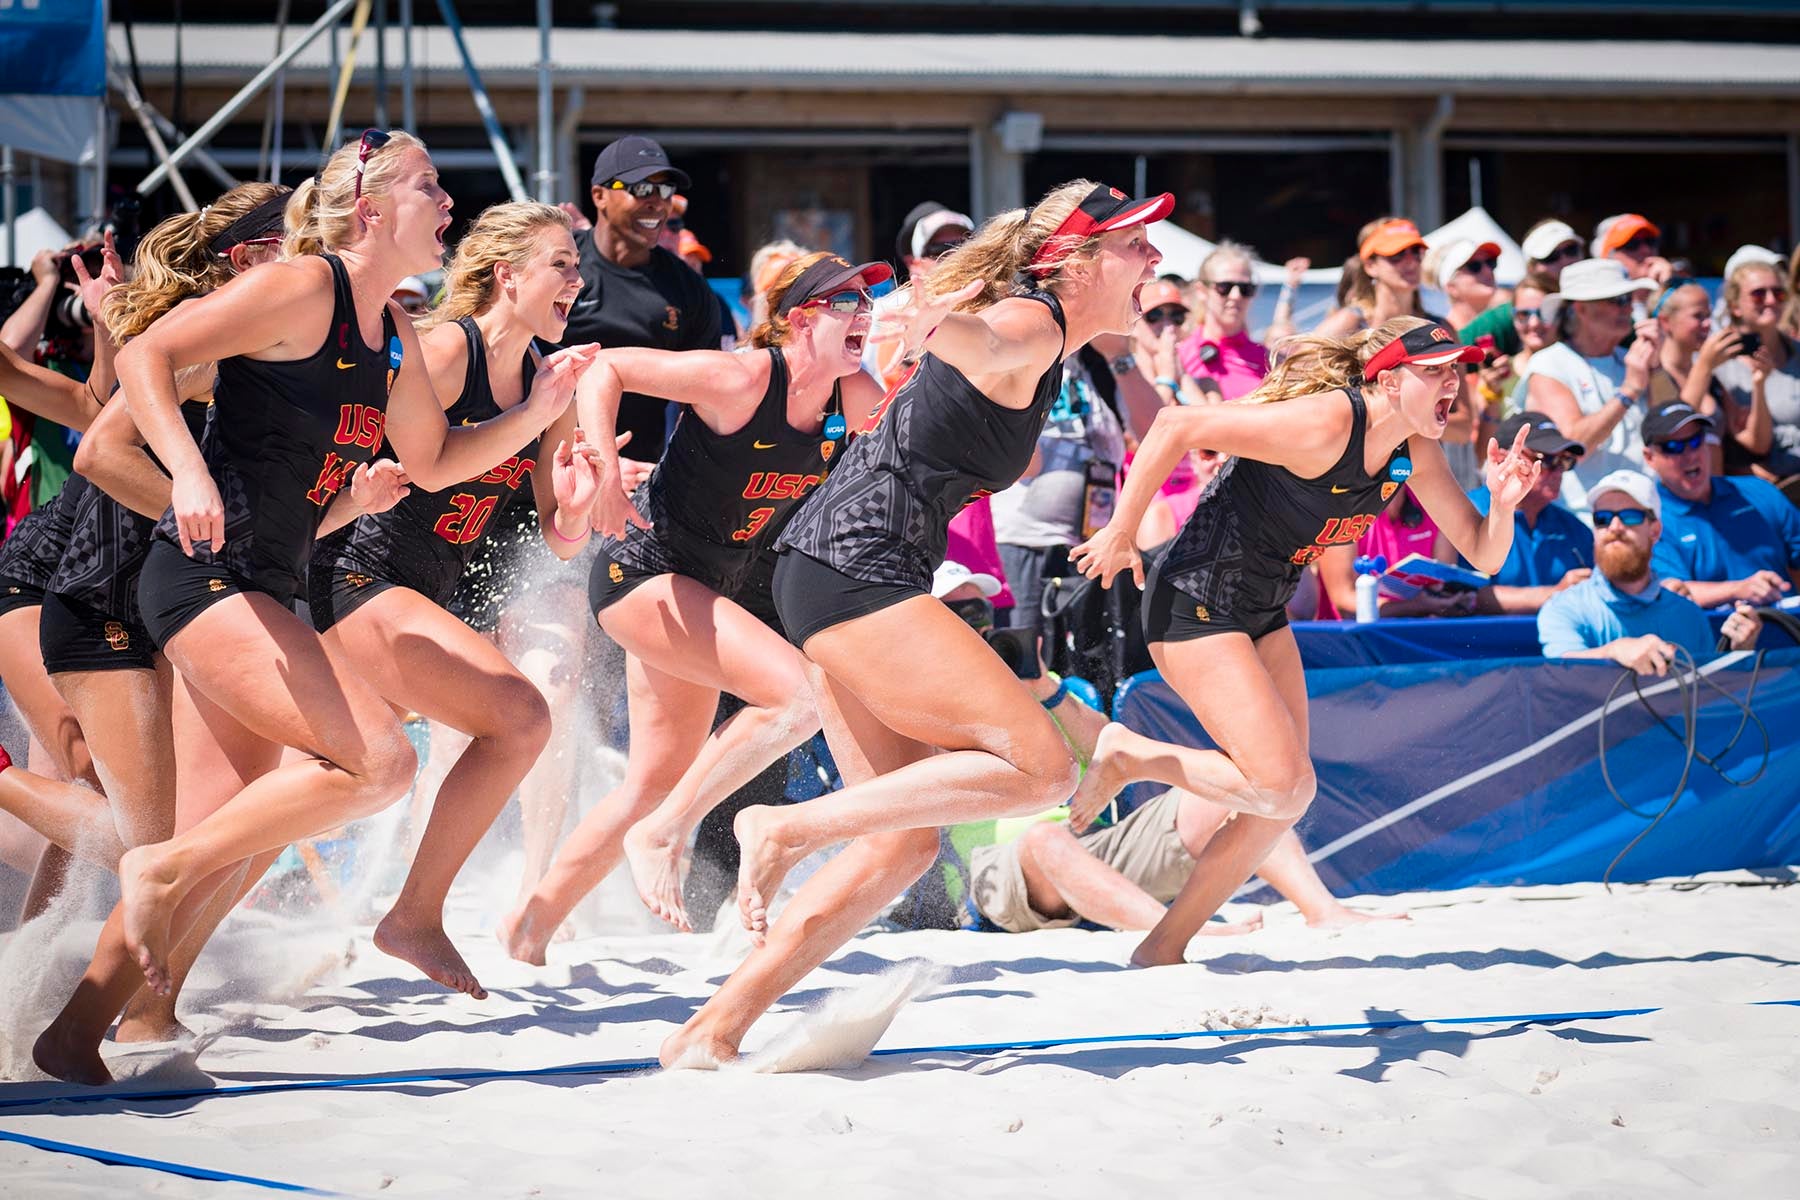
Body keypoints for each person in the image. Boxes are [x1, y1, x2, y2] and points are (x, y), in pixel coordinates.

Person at [32, 129, 596, 1085]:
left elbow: (433, 463)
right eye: (430, 185)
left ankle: (87, 1028)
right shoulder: (306, 287)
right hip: (204, 579)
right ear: (370, 208)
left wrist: (538, 418)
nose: (448, 201)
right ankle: (159, 873)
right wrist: (187, 479)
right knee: (375, 765)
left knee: (243, 823)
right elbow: (146, 360)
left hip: (272, 584)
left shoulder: (395, 337)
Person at [655, 180, 1171, 1068]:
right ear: (1077, 262)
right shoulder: (1034, 323)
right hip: (858, 570)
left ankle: (712, 1030)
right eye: (1136, 244)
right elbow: (973, 335)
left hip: (835, 567)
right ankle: (779, 827)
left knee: (899, 851)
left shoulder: (1050, 342)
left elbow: (963, 348)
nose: (1156, 259)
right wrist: (939, 316)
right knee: (1042, 767)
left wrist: (940, 320)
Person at [1066, 317, 1538, 969]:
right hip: (1193, 601)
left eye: (1457, 370)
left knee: (1285, 798)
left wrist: (1505, 501)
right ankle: (1129, 753)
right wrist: (1121, 530)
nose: (1452, 382)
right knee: (1280, 786)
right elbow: (1175, 426)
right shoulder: (1327, 423)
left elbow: (1484, 554)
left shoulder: (1412, 449)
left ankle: (1163, 947)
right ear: (1389, 377)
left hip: (1260, 611)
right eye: (1435, 370)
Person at [499, 250, 889, 952]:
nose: (862, 314)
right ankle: (669, 831)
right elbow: (608, 368)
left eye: (867, 304)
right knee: (797, 698)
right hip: (642, 572)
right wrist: (608, 469)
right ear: (798, 319)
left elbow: (914, 444)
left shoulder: (851, 393)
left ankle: (530, 925)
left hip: (700, 591)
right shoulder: (740, 376)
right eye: (844, 303)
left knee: (651, 783)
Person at [306, 201, 608, 998]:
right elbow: (423, 466)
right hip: (353, 573)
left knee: (324, 780)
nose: (577, 281)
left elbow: (556, 536)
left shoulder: (548, 384)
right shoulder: (443, 351)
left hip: (419, 592)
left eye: (578, 266)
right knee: (519, 719)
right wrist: (536, 415)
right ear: (507, 275)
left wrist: (575, 508)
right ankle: (413, 915)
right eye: (561, 265)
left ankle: (153, 959)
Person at [557, 134, 720, 462]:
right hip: (547, 466)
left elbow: (708, 401)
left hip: (641, 476)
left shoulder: (689, 291)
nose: (658, 202)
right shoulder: (558, 264)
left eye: (665, 191)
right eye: (642, 189)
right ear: (600, 195)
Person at [1538, 469, 1761, 670]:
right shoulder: (1562, 607)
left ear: (1655, 531)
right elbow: (1561, 670)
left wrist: (1740, 652)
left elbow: (1708, 699)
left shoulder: (1689, 615)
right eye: (1603, 518)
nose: (1615, 527)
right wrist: (1613, 652)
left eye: (1630, 517)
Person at [1517, 258, 1664, 515]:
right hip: (1584, 520)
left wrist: (1658, 366)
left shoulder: (1631, 359)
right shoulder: (1549, 364)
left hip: (1644, 516)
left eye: (1629, 299)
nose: (1627, 309)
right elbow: (1573, 447)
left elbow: (1667, 428)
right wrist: (1629, 390)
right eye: (1616, 300)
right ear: (1581, 309)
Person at [1637, 401, 1800, 609]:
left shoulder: (1759, 491)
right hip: (1713, 638)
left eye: (1696, 441)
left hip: (1788, 632)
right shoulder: (1648, 521)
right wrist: (1738, 590)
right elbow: (1670, 591)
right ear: (1649, 457)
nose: (1690, 454)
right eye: (1673, 447)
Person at [1468, 412, 1593, 614]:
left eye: (1565, 461)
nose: (1558, 470)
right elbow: (1460, 595)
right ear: (1501, 459)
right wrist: (1554, 594)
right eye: (1546, 460)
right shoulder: (1468, 511)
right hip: (1482, 642)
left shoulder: (1575, 529)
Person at [1315, 485, 1476, 620]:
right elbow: (1343, 603)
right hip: (1351, 645)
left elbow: (1443, 587)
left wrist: (1453, 600)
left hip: (1419, 636)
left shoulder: (1435, 507)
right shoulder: (1340, 510)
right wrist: (1416, 607)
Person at [1712, 259, 1800, 484]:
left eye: (1778, 293)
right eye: (1758, 294)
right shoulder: (1720, 365)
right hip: (1763, 490)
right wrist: (1745, 471)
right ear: (1735, 306)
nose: (1771, 301)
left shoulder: (1796, 352)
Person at [1458, 218, 1585, 357]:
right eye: (1551, 257)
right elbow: (1450, 350)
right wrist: (1479, 378)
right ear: (1531, 268)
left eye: (1571, 250)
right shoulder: (1509, 314)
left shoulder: (1603, 300)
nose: (1565, 260)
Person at [1176, 241, 1272, 401]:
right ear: (1201, 291)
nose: (1236, 296)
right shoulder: (1180, 355)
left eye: (1245, 289)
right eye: (1224, 287)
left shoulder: (1269, 360)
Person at [1314, 217, 1431, 338]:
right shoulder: (1349, 325)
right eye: (1397, 254)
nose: (1411, 261)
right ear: (1371, 266)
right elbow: (1300, 355)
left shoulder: (1437, 327)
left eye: (1416, 251)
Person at [1429, 238, 1501, 332]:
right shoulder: (1446, 339)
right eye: (1474, 266)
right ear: (1451, 287)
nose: (1488, 271)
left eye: (1490, 262)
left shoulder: (1506, 329)